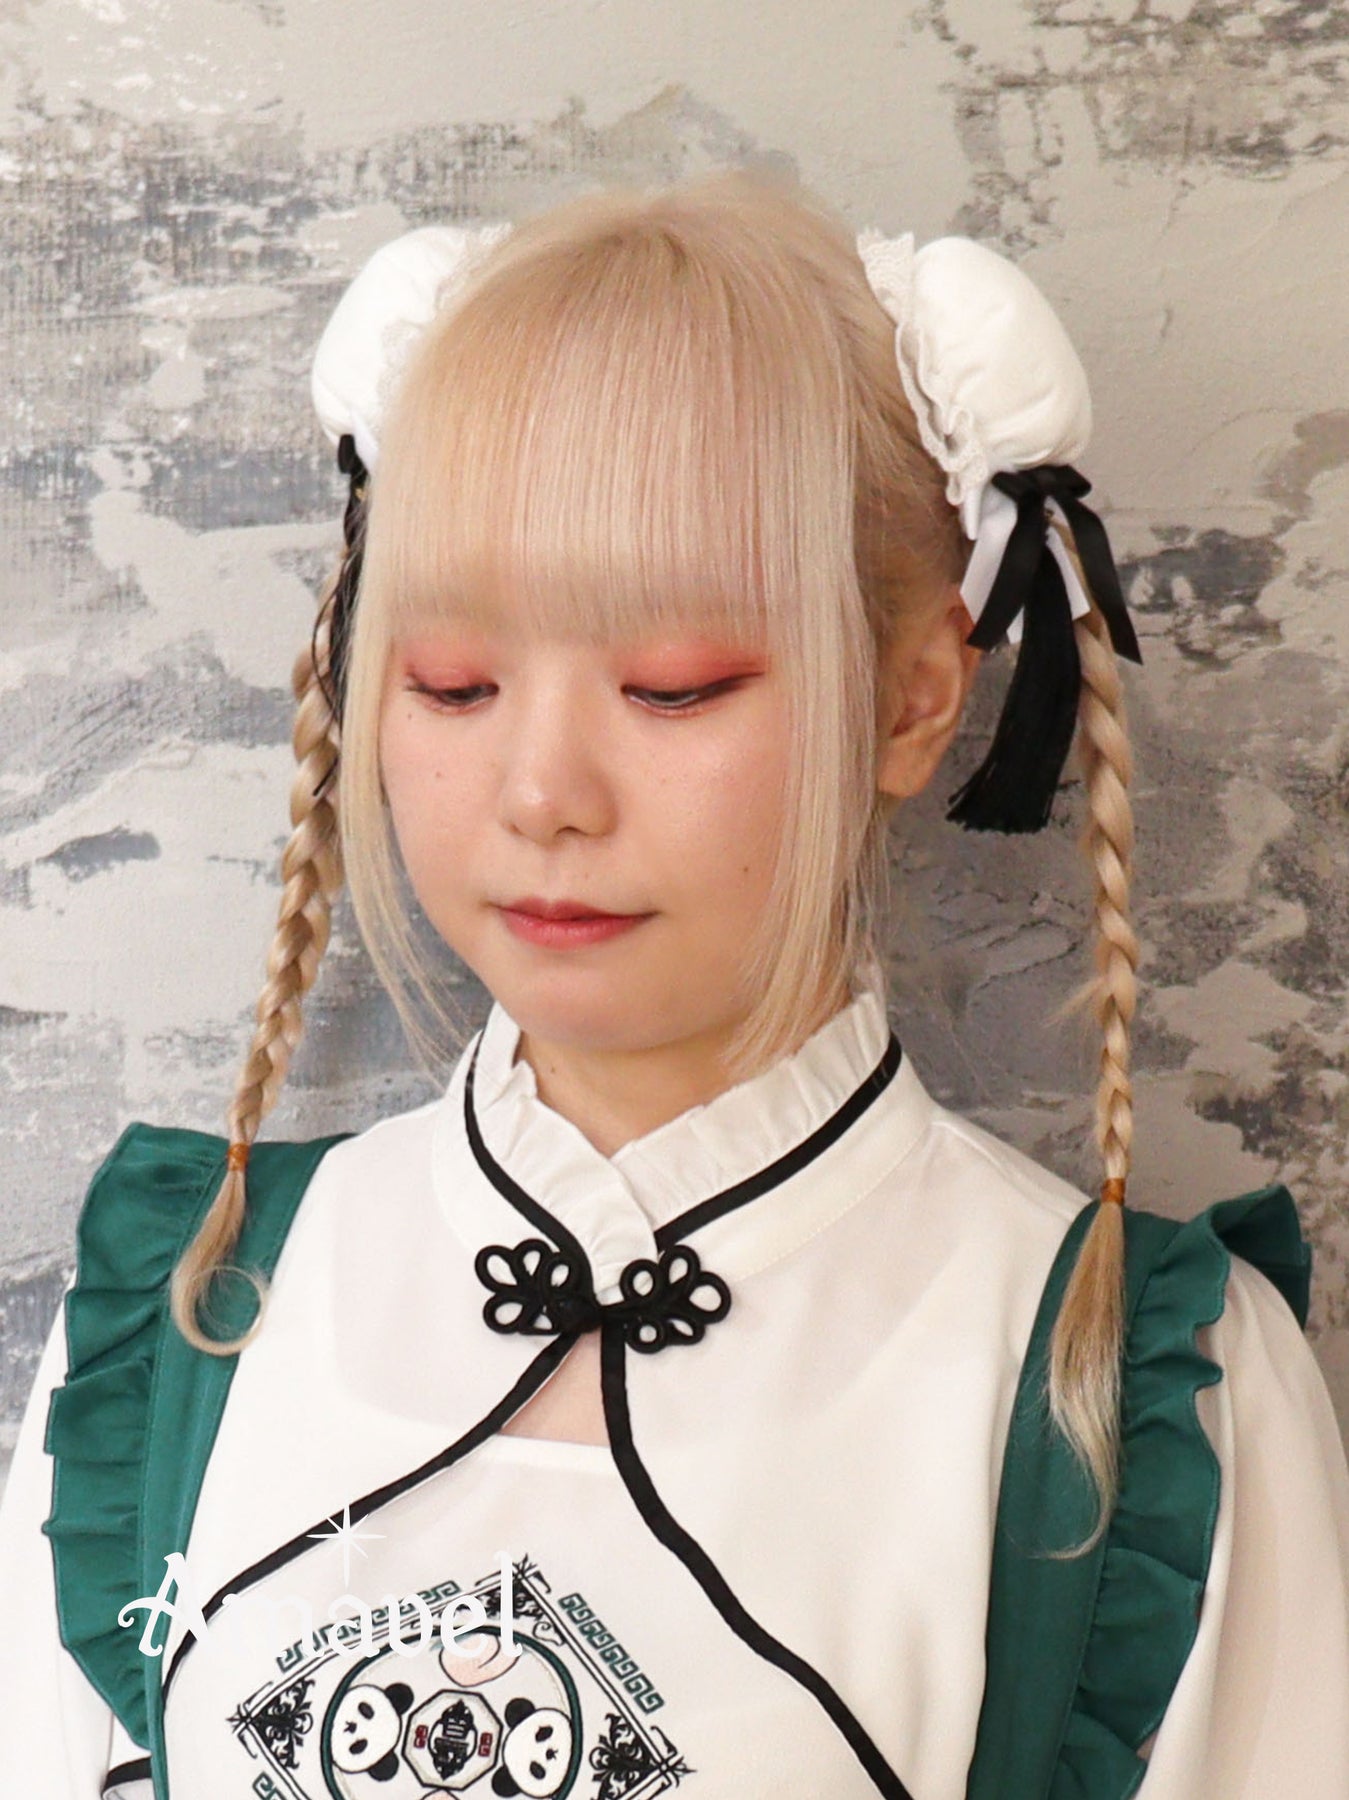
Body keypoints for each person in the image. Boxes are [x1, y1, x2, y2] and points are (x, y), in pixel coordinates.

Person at [2, 165, 1347, 1800]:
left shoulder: (1124, 1399)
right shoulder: (184, 1319)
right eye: (454, 681)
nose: (541, 792)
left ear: (913, 700)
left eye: (672, 685)